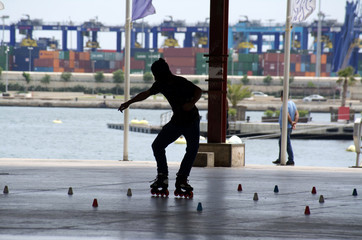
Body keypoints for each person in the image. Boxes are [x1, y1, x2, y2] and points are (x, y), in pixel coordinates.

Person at [118, 58, 202, 198]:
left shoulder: (180, 81)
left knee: (192, 148)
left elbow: (198, 91)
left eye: (155, 74)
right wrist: (129, 102)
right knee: (157, 145)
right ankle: (162, 175)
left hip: (191, 120)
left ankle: (182, 178)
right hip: (177, 121)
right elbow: (146, 93)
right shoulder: (160, 84)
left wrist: (191, 103)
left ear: (162, 73)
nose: (154, 77)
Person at [273, 90, 299, 166]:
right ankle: (280, 158)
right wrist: (294, 123)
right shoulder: (293, 103)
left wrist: (291, 123)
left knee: (286, 143)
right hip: (289, 127)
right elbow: (297, 114)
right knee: (281, 142)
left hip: (285, 127)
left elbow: (286, 114)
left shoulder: (285, 104)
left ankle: (291, 160)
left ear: (282, 97)